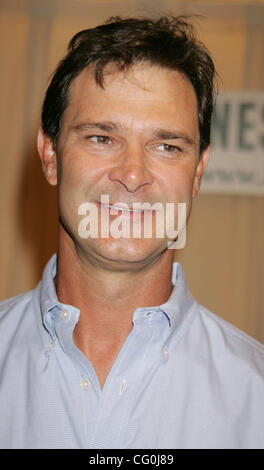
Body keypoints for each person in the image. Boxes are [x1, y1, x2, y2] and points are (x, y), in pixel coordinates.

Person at [0, 15, 264, 450]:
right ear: (50, 154)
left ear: (197, 172)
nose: (133, 174)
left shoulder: (252, 395)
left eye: (167, 146)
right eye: (102, 137)